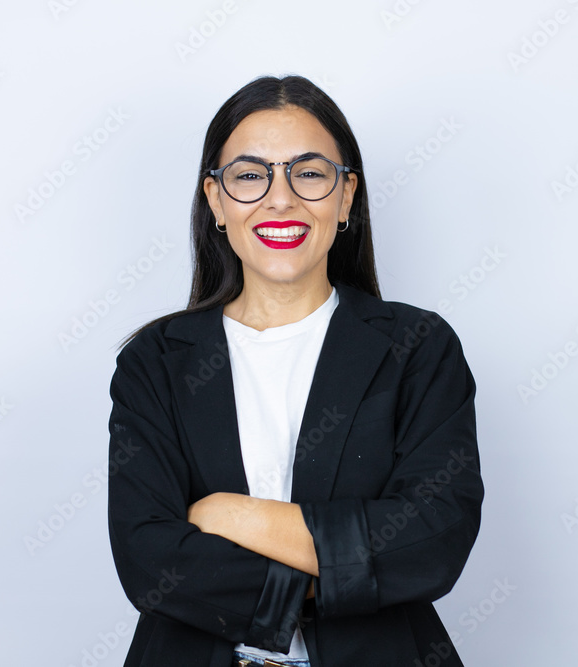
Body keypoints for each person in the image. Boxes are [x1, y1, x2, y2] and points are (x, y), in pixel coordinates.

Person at [106, 74, 483, 667]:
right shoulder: (156, 361)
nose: (280, 199)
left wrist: (232, 515)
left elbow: (433, 537)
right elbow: (148, 558)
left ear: (346, 196)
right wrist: (333, 575)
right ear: (217, 203)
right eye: (251, 176)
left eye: (308, 173)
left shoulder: (416, 347)